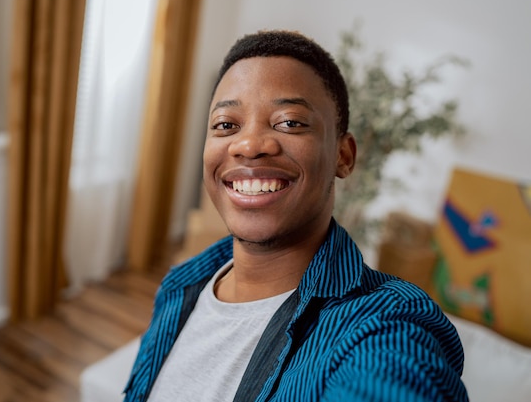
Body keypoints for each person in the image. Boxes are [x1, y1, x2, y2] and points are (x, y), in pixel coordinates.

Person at [123, 30, 468, 402]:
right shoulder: (180, 285)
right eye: (226, 125)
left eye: (289, 122)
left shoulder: (386, 325)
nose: (249, 145)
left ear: (343, 156)